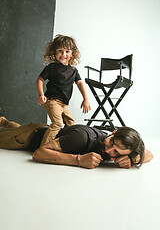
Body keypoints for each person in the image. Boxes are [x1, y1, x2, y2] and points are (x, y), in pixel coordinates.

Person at [0, 116, 153, 169]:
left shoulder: (120, 146)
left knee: (17, 127)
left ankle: (6, 122)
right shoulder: (82, 137)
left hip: (45, 129)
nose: (108, 151)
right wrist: (78, 160)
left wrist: (133, 160)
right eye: (111, 142)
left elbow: (149, 154)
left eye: (117, 153)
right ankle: (9, 126)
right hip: (28, 138)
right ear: (112, 132)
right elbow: (39, 153)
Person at [36, 34, 91, 145]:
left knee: (71, 124)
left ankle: (63, 144)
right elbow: (40, 80)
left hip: (63, 104)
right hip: (52, 101)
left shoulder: (73, 70)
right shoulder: (51, 67)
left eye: (67, 51)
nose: (63, 54)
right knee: (57, 123)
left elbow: (80, 83)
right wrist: (41, 95)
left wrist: (86, 98)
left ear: (72, 54)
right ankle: (43, 148)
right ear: (54, 52)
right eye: (60, 51)